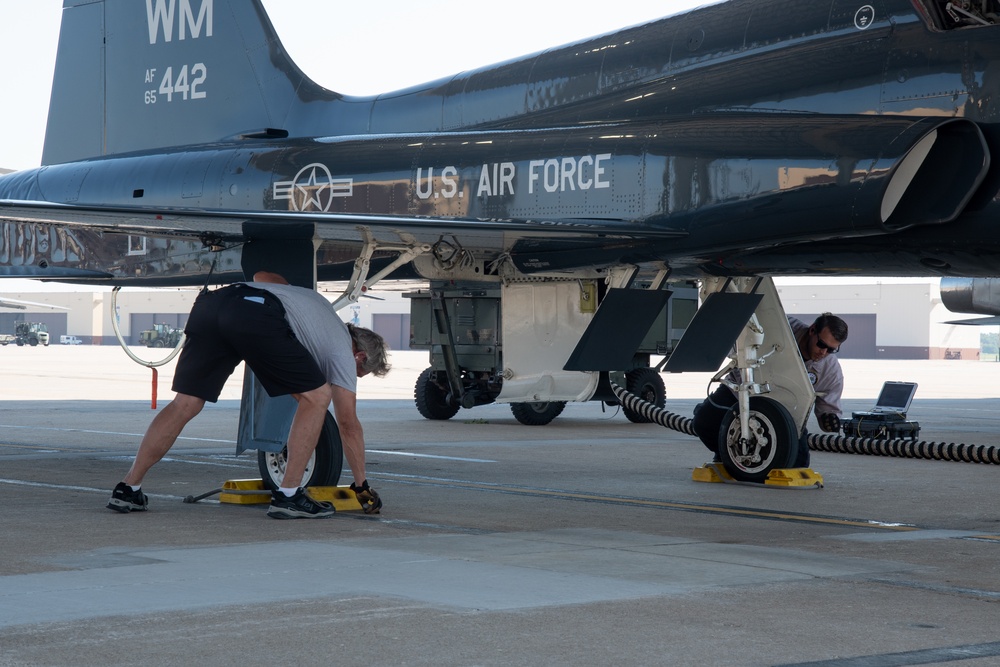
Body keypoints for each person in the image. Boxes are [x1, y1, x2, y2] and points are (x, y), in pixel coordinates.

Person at [106, 271, 391, 519]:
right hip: (255, 313)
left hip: (213, 305)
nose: (350, 379)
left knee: (185, 403)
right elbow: (348, 425)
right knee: (317, 397)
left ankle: (128, 488)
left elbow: (263, 276)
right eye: (358, 374)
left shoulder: (316, 306)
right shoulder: (342, 350)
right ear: (359, 356)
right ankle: (289, 496)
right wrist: (361, 484)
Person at [691, 312, 848, 468]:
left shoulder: (830, 369)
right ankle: (728, 454)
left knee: (798, 463)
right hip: (741, 392)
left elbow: (828, 403)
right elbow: (741, 339)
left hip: (783, 410)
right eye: (821, 345)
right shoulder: (779, 327)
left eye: (831, 350)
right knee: (704, 423)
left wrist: (829, 418)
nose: (824, 353)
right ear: (812, 330)